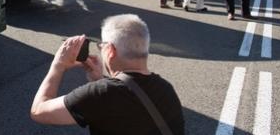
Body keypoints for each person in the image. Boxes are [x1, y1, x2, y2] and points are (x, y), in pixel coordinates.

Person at [30, 14, 184, 135]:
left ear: (110, 51)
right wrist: (100, 79)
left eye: (101, 45)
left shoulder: (101, 94)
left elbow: (38, 111)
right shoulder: (167, 89)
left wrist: (57, 66)